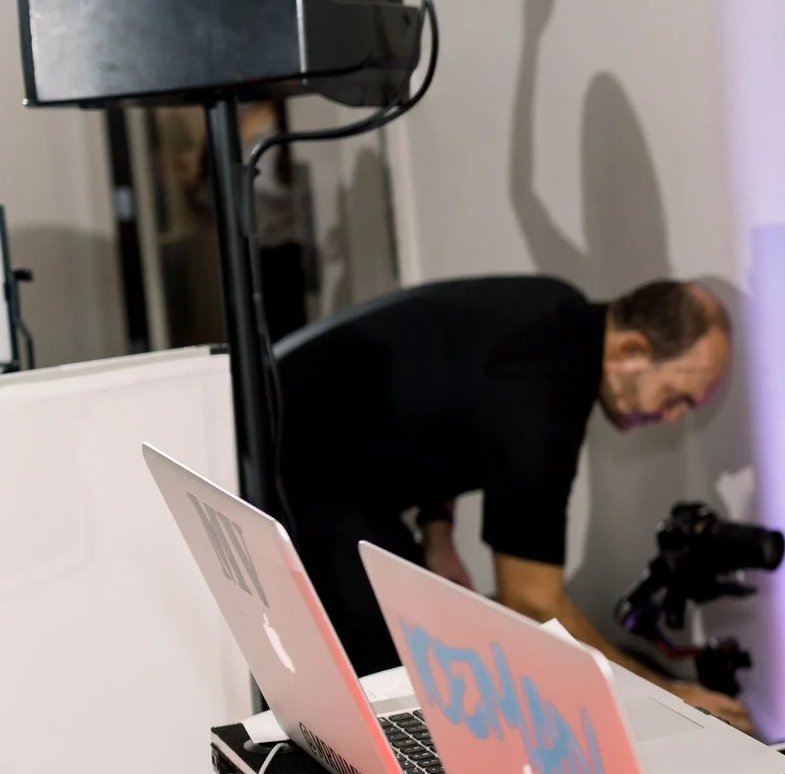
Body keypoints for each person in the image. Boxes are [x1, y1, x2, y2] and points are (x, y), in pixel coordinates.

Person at [272, 273, 750, 729]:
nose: (671, 418)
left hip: (299, 436)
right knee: (393, 694)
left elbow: (443, 389)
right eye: (677, 397)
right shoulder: (544, 391)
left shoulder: (556, 310)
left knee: (417, 638)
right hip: (284, 463)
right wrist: (666, 695)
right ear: (631, 350)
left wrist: (437, 530)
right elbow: (529, 599)